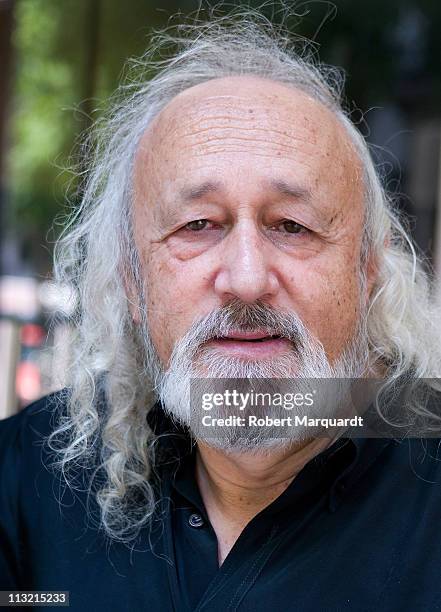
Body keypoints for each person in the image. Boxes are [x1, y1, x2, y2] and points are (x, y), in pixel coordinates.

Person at [1, 11, 441, 612]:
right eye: (198, 225)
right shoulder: (26, 481)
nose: (246, 279)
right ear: (133, 279)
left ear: (367, 271)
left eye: (292, 225)